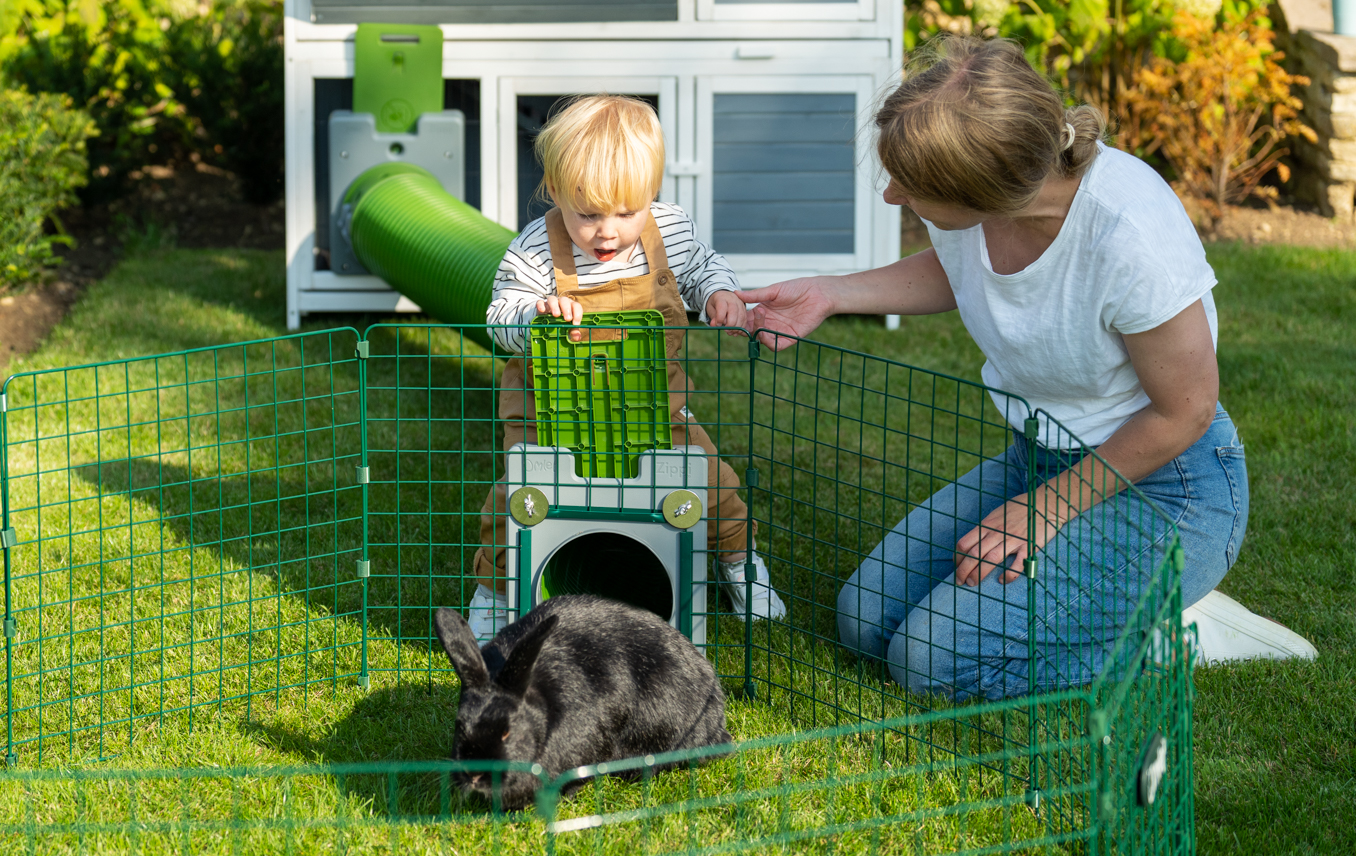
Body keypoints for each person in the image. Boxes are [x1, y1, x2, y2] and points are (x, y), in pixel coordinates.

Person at [741, 36, 1315, 699]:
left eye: (911, 184)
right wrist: (834, 293)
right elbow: (969, 270)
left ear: (985, 190)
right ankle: (1110, 608)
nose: (895, 194)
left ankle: (1165, 633)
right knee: (867, 621)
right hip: (1039, 457)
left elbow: (1185, 409)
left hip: (1167, 487)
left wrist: (1042, 512)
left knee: (930, 661)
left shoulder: (1128, 234)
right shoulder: (986, 206)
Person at [469, 94, 787, 645]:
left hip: (653, 404)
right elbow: (498, 319)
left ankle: (738, 564)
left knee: (712, 483)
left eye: (626, 212)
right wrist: (535, 315)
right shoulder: (536, 251)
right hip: (549, 411)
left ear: (651, 196)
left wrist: (718, 292)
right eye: (587, 215)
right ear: (555, 190)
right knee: (519, 498)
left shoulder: (670, 231)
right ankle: (495, 590)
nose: (607, 232)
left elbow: (702, 266)